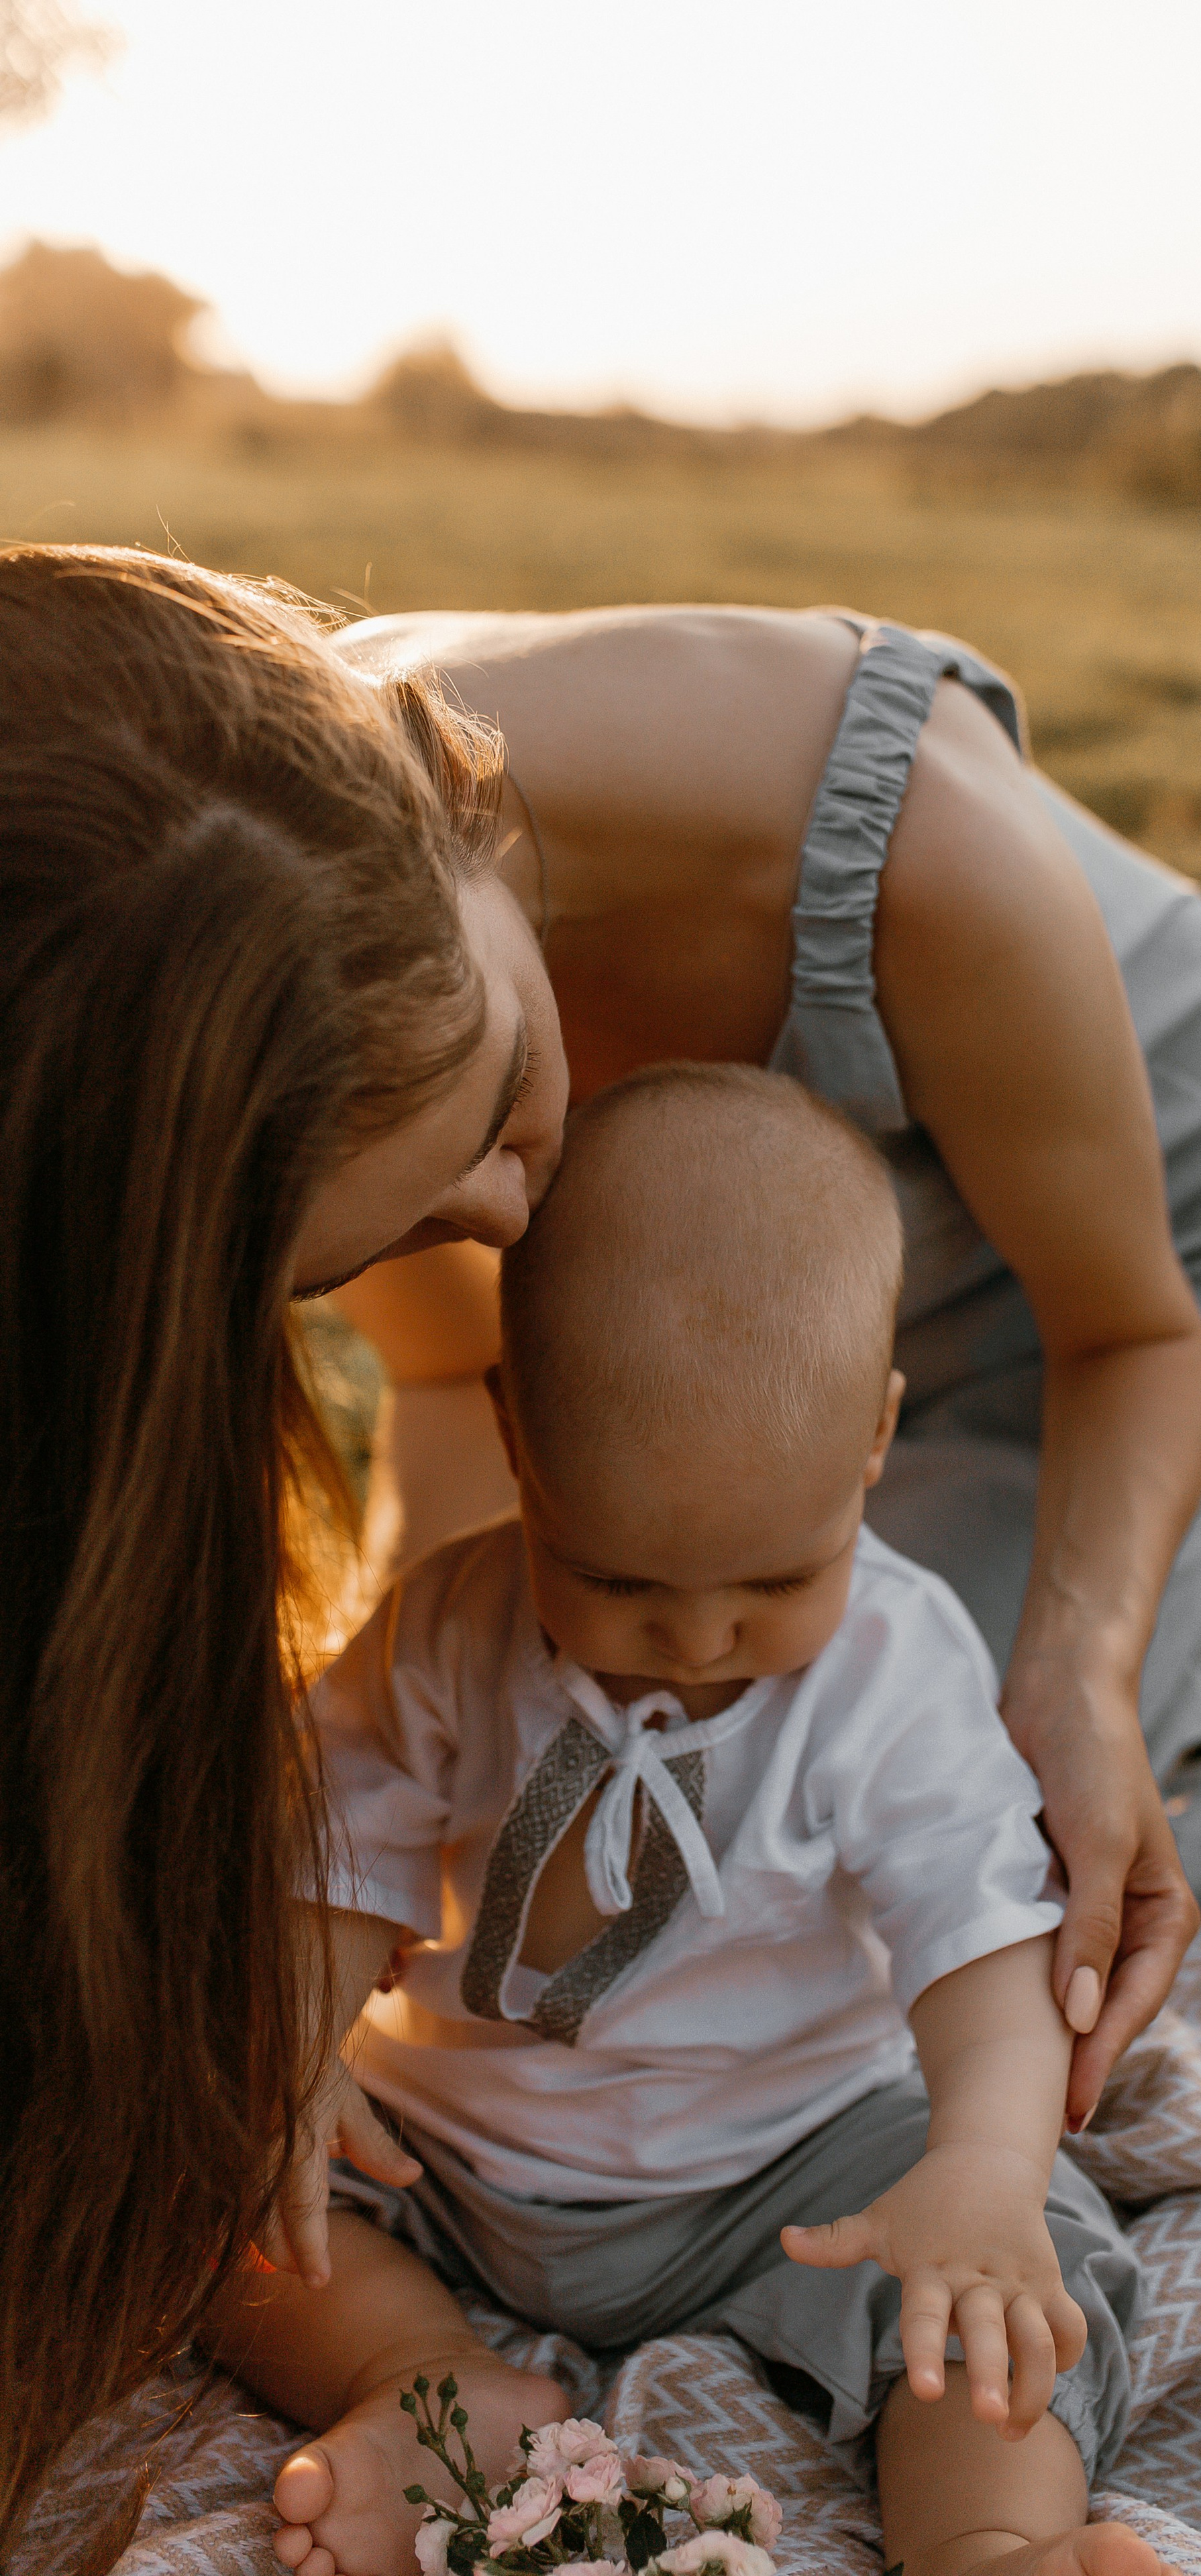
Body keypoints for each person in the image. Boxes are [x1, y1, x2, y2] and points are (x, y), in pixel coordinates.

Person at [331, 603, 1201, 2097]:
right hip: (712, 1332)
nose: (500, 1219)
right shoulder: (321, 1004)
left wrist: (1081, 1677)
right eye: (412, 1218)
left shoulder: (901, 847)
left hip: (1133, 1245)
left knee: (916, 1785)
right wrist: (421, 1668)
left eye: (487, 1138)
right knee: (643, 1699)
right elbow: (441, 1383)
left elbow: (1125, 1328)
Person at [217, 1065, 1166, 2576]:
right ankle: (419, 2378)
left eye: (774, 1582)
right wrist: (289, 2055)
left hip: (795, 2163)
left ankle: (989, 2543)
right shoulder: (445, 1630)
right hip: (453, 2155)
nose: (699, 1637)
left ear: (874, 1438)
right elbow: (336, 1857)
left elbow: (978, 1937)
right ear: (516, 1438)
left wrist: (977, 2172)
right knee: (204, 2186)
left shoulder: (891, 1670)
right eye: (619, 1585)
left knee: (993, 2301)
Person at [0, 547, 568, 2566]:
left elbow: (465, 1431)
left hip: (1096, 1265)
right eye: (355, 1268)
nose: (514, 1211)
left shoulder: (286, 878)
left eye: (499, 1098)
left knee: (870, 1663)